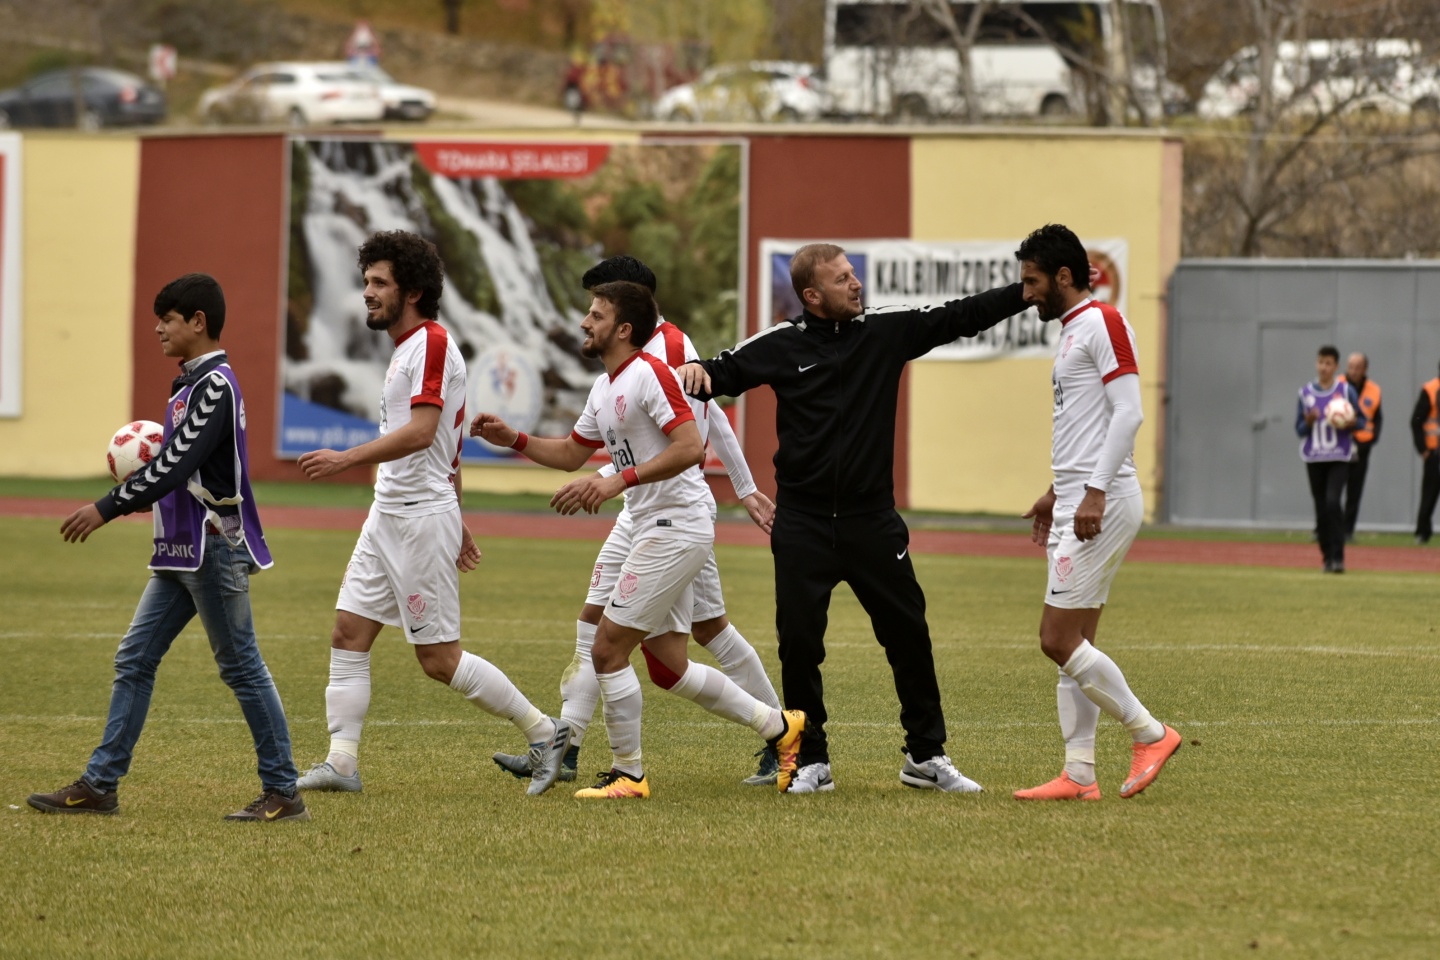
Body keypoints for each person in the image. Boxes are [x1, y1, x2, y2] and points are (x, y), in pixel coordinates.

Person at [678, 243, 1026, 795]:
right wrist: (696, 369)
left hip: (872, 522)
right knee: (799, 645)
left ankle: (926, 755)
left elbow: (961, 315)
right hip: (804, 525)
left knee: (909, 635)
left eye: (853, 274)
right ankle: (811, 760)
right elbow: (719, 371)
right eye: (842, 280)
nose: (856, 284)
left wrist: (1022, 293)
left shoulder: (886, 331)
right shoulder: (781, 343)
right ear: (812, 296)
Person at [472, 280, 805, 799]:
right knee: (669, 664)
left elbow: (692, 446)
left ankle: (627, 773)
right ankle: (781, 729)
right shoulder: (605, 387)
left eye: (595, 314)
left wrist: (612, 482)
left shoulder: (652, 373)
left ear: (623, 328)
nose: (585, 322)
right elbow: (569, 452)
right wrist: (511, 439)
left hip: (675, 525)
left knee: (607, 649)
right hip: (650, 524)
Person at [292, 230, 571, 797]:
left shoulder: (433, 345)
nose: (366, 292)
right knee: (348, 633)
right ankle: (342, 763)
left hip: (419, 519)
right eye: (365, 280)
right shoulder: (406, 349)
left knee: (439, 660)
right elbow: (448, 443)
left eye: (378, 283)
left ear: (412, 290)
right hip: (390, 513)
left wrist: (348, 457)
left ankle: (545, 732)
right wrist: (460, 515)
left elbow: (422, 433)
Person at [28, 273, 308, 822]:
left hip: (211, 548)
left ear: (197, 322)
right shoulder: (189, 386)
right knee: (135, 658)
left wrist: (105, 507)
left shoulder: (216, 386)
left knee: (242, 668)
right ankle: (99, 785)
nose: (157, 328)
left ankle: (283, 791)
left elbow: (174, 464)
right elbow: (173, 465)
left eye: (168, 318)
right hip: (180, 549)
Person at [1007, 224, 1182, 803]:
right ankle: (1079, 773)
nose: (1025, 293)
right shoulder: (1072, 331)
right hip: (1078, 500)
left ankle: (1150, 733)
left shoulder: (1103, 321)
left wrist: (1095, 492)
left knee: (1056, 639)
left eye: (1032, 281)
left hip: (1100, 504)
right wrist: (1058, 491)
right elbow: (1087, 425)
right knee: (1077, 643)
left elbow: (1128, 413)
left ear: (1063, 277)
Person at [1298, 345, 1363, 573]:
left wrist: (1351, 421)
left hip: (1339, 455)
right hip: (1315, 456)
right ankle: (1326, 557)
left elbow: (1362, 421)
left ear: (1336, 366)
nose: (1323, 367)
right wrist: (1308, 421)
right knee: (1321, 509)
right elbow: (1299, 429)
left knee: (1333, 502)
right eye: (1320, 362)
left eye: (1328, 363)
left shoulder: (1346, 392)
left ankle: (1338, 557)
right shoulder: (1306, 393)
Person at [1339, 353, 1381, 541]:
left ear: (1365, 369)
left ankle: (1348, 531)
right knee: (1332, 491)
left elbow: (1377, 418)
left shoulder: (1374, 390)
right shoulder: (1337, 385)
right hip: (1339, 445)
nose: (1353, 370)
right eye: (1351, 366)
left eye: (1358, 367)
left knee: (1354, 491)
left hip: (1362, 448)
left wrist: (1371, 440)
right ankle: (1324, 528)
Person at [1411, 361, 1440, 544]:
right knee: (1429, 494)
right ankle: (1422, 532)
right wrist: (1423, 450)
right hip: (1435, 453)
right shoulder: (1430, 389)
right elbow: (1416, 421)